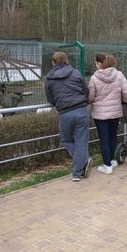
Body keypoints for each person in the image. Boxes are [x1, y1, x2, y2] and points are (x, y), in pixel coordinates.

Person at [45, 52, 93, 182]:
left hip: (65, 113)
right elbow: (85, 90)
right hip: (81, 111)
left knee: (66, 141)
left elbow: (50, 98)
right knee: (81, 142)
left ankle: (79, 168)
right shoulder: (76, 73)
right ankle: (78, 171)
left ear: (54, 62)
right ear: (66, 60)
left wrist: (60, 104)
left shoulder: (49, 78)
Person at [88, 53, 127, 175]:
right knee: (113, 136)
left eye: (96, 62)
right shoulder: (119, 75)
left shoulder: (94, 78)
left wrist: (92, 101)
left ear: (100, 64)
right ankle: (112, 161)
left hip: (100, 114)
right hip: (115, 112)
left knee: (104, 139)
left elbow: (91, 96)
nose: (95, 64)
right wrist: (123, 100)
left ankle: (107, 166)